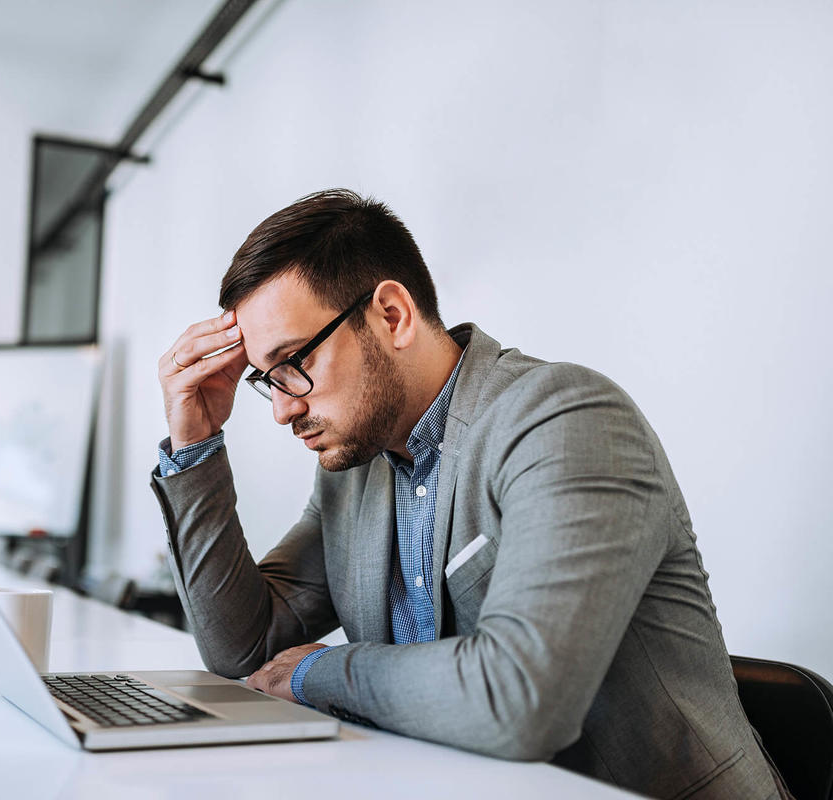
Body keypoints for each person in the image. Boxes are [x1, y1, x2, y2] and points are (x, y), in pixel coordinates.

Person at [149, 189, 790, 800]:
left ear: (391, 315)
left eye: (295, 364)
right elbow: (244, 646)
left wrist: (322, 671)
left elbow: (519, 699)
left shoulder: (565, 419)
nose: (282, 410)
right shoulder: (355, 469)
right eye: (269, 380)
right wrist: (195, 440)